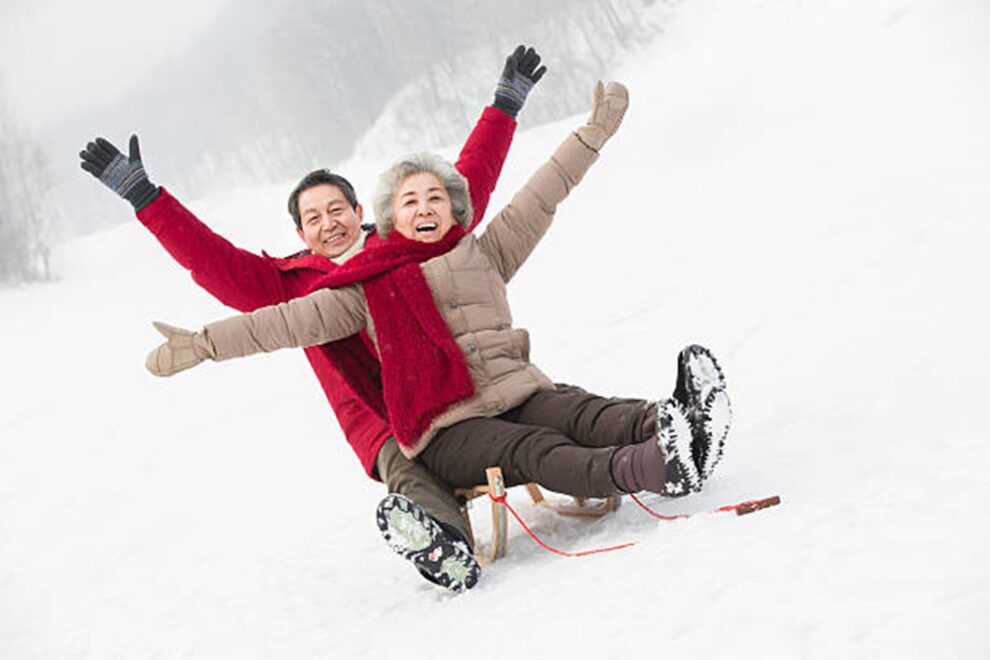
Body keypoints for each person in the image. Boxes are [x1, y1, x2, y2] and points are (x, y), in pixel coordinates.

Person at [146, 80, 733, 589]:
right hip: (427, 423)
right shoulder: (345, 288)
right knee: (507, 455)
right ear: (387, 217)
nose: (424, 208)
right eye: (409, 201)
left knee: (574, 410)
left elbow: (534, 194)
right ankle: (631, 473)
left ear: (367, 214)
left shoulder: (471, 248)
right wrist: (202, 342)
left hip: (504, 392)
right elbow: (276, 319)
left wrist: (575, 131)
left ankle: (681, 424)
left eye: (434, 200)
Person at [80, 46, 550, 592]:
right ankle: (442, 544)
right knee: (406, 469)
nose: (327, 224)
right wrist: (146, 198)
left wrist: (504, 107)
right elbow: (214, 262)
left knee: (533, 404)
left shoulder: (403, 243)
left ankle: (608, 446)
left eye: (335, 211)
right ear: (301, 235)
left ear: (359, 213)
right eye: (312, 219)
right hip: (381, 420)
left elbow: (465, 185)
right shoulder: (291, 286)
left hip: (451, 385)